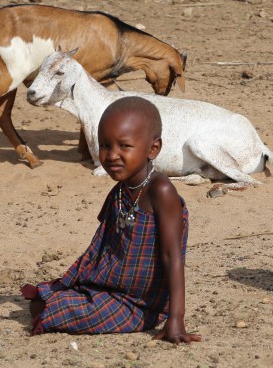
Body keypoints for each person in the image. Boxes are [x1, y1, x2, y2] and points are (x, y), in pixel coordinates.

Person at [21, 96, 201, 343]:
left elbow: (173, 257)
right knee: (42, 301)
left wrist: (176, 319)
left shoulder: (161, 191)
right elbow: (104, 248)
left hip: (139, 303)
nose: (112, 155)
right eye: (105, 146)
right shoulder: (121, 189)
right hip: (111, 287)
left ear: (153, 149)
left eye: (124, 146)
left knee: (54, 310)